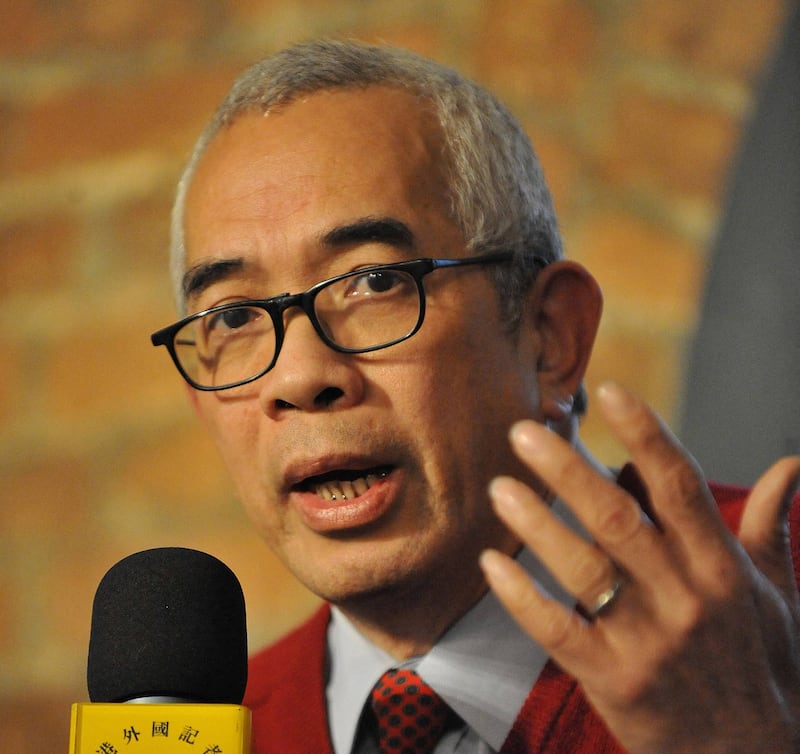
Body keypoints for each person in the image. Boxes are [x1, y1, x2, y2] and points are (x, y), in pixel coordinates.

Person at [150, 39, 800, 753]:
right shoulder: (218, 734)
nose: (300, 377)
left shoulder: (772, 612)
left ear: (551, 335)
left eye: (374, 282)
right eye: (234, 317)